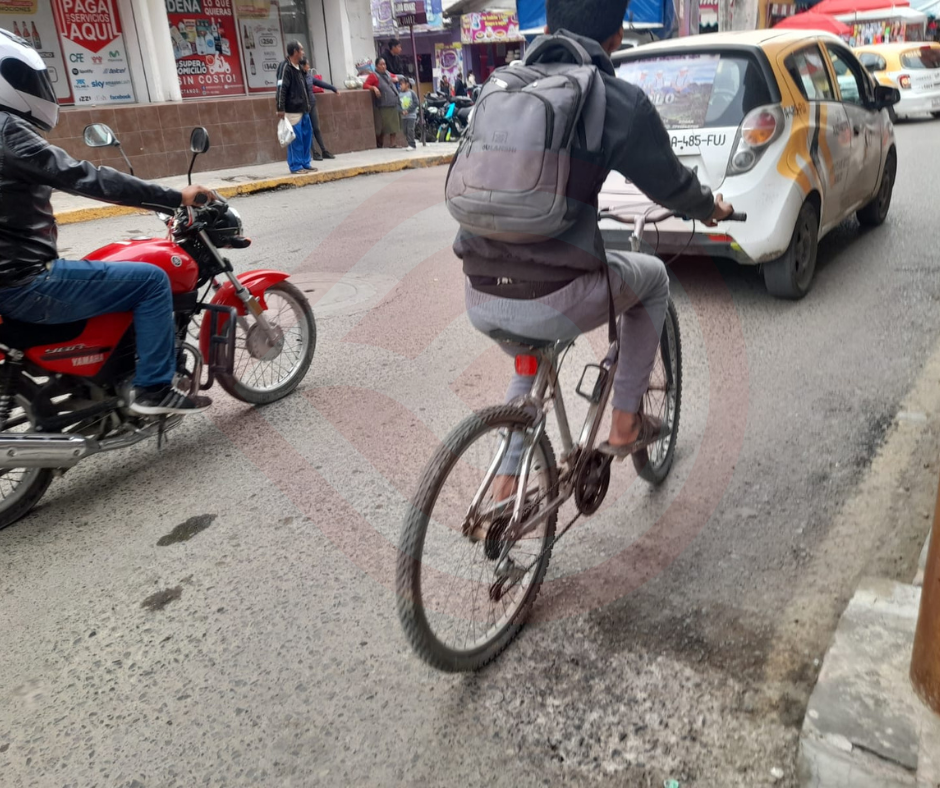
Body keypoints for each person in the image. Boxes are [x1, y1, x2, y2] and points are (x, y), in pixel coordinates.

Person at [456, 0, 733, 499]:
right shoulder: (613, 99)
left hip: (479, 290)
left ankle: (505, 485)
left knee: (530, 353)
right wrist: (709, 208)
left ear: (546, 26)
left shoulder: (500, 87)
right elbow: (671, 184)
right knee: (653, 279)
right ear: (617, 35)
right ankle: (625, 421)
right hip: (554, 297)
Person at [0, 29, 215, 415]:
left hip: (11, 278)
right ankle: (153, 389)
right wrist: (173, 196)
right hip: (23, 282)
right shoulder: (7, 132)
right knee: (151, 281)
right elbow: (83, 177)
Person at [276, 40, 316, 174]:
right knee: (296, 139)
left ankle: (305, 162)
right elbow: (281, 88)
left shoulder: (299, 67)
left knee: (306, 137)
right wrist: (280, 107)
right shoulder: (285, 67)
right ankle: (296, 165)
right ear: (295, 52)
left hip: (304, 109)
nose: (303, 52)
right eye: (301, 50)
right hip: (292, 110)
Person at [299, 57, 337, 161]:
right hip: (303, 106)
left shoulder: (309, 76)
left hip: (312, 104)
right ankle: (314, 152)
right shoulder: (298, 77)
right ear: (302, 66)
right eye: (307, 64)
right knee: (308, 129)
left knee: (316, 128)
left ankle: (324, 151)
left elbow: (321, 83)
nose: (309, 66)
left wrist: (333, 88)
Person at [363, 57, 401, 148]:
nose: (383, 66)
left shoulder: (387, 73)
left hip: (393, 102)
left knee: (394, 125)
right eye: (381, 64)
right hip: (384, 104)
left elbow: (396, 77)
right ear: (376, 66)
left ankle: (393, 143)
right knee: (383, 126)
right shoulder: (374, 76)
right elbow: (365, 85)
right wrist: (374, 88)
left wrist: (395, 78)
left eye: (384, 64)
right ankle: (379, 144)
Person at [399, 77, 418, 150]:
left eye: (402, 84)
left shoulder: (412, 93)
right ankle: (409, 142)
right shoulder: (399, 94)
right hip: (403, 116)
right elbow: (397, 104)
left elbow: (416, 103)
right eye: (400, 84)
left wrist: (408, 110)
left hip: (411, 116)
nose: (400, 86)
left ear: (407, 84)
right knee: (405, 130)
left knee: (410, 129)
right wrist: (401, 111)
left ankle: (412, 144)